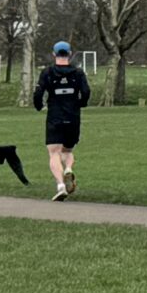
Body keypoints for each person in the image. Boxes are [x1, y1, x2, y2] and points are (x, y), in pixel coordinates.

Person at [32, 41, 92, 200]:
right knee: (67, 151)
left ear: (54, 54)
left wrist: (38, 106)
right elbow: (86, 91)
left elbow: (38, 92)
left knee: (54, 152)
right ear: (70, 54)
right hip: (73, 116)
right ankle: (68, 169)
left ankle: (60, 186)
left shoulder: (47, 72)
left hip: (55, 116)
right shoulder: (78, 73)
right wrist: (81, 103)